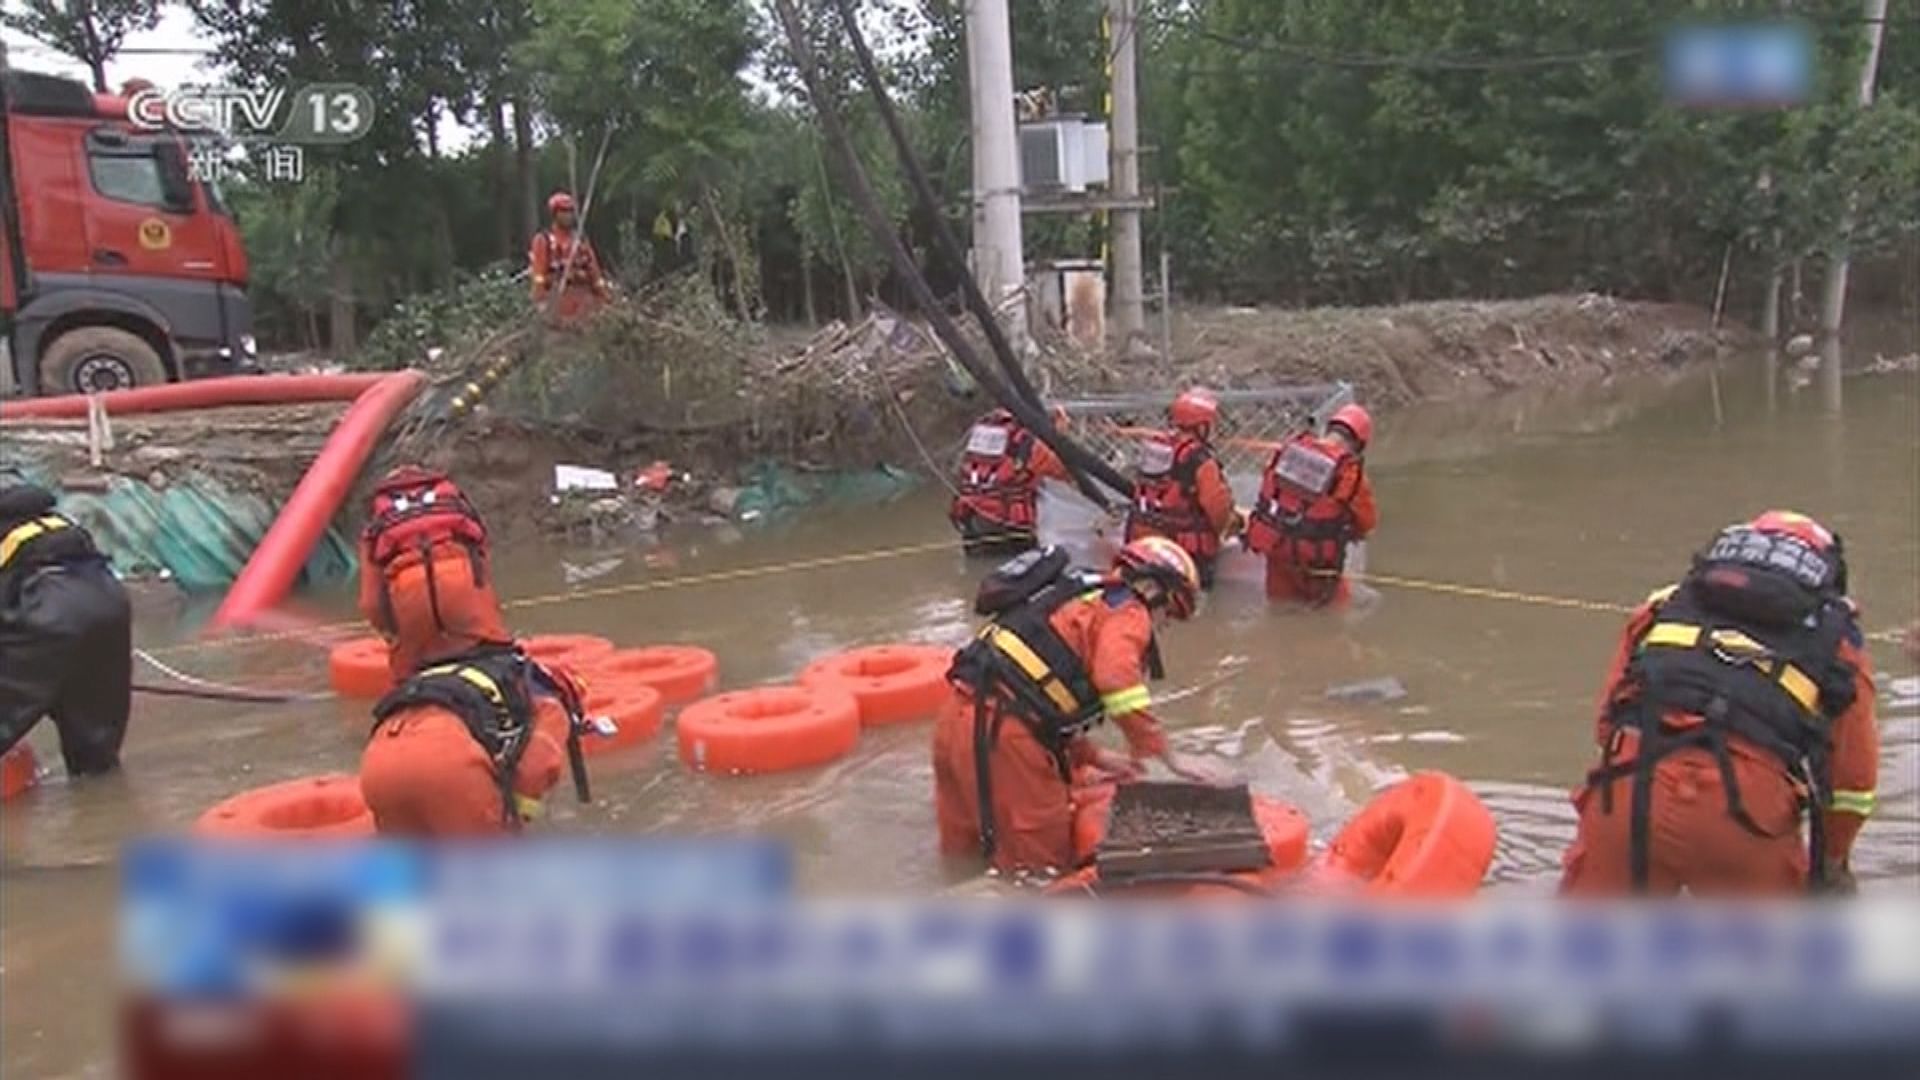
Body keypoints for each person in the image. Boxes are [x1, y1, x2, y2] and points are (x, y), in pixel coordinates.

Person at [1560, 511, 1877, 896]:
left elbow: (1609, 720)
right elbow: (1852, 781)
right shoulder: (1839, 640)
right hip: (1747, 814)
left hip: (1632, 789)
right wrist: (1832, 861)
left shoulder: (1664, 605)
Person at [934, 536, 1223, 873]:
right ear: (1157, 592)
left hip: (956, 719)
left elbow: (1038, 697)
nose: (1165, 624)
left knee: (961, 855)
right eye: (1170, 612)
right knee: (1039, 869)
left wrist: (1096, 756)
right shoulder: (1130, 612)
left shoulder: (1079, 596)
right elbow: (1116, 682)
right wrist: (1166, 755)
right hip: (1005, 740)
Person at [359, 645, 589, 836]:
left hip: (378, 761)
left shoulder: (479, 669)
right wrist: (513, 818)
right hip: (446, 761)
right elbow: (536, 770)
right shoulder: (552, 706)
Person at [0, 474, 132, 777]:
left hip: (45, 616)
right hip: (109, 605)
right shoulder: (60, 524)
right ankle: (102, 808)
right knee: (96, 757)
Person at [357, 466, 512, 682]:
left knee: (409, 681)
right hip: (462, 585)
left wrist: (392, 635)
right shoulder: (455, 503)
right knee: (501, 663)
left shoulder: (376, 523)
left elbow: (371, 603)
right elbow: (482, 563)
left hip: (409, 596)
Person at [1243, 403, 1378, 607]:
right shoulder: (1349, 472)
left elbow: (1268, 493)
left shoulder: (1288, 451)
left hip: (1278, 554)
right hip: (1318, 564)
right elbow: (1367, 523)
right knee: (1337, 619)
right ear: (1359, 444)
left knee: (1279, 611)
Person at [1124, 388, 1238, 589]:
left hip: (1143, 541)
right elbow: (1217, 508)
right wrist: (1231, 526)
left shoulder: (1156, 448)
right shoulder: (1200, 460)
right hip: (1183, 550)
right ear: (1201, 427)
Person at [949, 406, 1073, 557]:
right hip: (1008, 527)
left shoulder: (980, 432)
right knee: (1020, 574)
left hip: (972, 521)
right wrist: (1062, 439)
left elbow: (959, 472)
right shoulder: (1030, 443)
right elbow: (1068, 472)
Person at [528, 190, 610, 322]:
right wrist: (540, 300)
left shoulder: (580, 240)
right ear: (555, 214)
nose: (568, 216)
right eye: (564, 211)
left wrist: (604, 297)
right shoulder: (544, 240)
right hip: (556, 298)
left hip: (583, 300)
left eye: (570, 211)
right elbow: (538, 275)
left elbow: (595, 272)